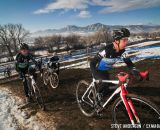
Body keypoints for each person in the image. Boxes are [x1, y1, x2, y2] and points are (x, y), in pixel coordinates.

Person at [90, 28, 139, 99]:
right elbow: (93, 62)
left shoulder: (122, 51)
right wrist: (94, 74)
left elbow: (129, 62)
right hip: (97, 69)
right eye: (124, 40)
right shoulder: (106, 50)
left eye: (127, 40)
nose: (126, 42)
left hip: (105, 70)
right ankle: (95, 99)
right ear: (116, 41)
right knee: (103, 86)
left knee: (110, 87)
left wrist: (134, 69)